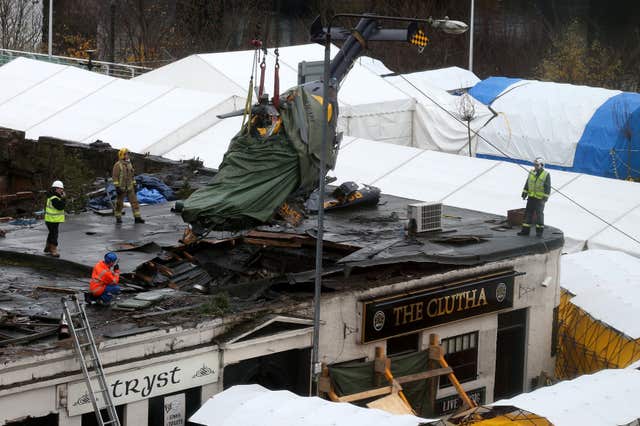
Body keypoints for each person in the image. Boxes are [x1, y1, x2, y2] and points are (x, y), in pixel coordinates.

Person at [518, 157, 551, 237]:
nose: (535, 167)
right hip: (531, 197)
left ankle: (539, 232)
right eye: (534, 165)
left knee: (539, 215)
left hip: (540, 199)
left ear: (542, 165)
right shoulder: (532, 172)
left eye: (537, 165)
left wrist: (545, 198)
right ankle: (525, 231)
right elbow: (528, 183)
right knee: (528, 214)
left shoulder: (546, 174)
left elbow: (547, 187)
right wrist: (524, 192)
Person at [112, 147, 144, 224]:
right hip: (121, 188)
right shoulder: (117, 165)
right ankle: (118, 218)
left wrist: (134, 184)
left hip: (130, 187)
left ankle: (137, 218)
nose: (128, 156)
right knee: (119, 204)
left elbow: (132, 176)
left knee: (135, 202)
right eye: (126, 154)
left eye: (128, 154)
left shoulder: (129, 164)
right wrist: (117, 187)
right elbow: (115, 176)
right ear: (122, 155)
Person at [44, 180, 66, 257]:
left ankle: (48, 247)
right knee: (54, 234)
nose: (62, 190)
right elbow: (60, 207)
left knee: (51, 233)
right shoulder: (54, 198)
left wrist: (62, 198)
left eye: (62, 189)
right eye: (60, 189)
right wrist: (63, 199)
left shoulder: (52, 196)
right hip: (52, 220)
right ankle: (53, 249)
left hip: (51, 219)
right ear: (56, 189)